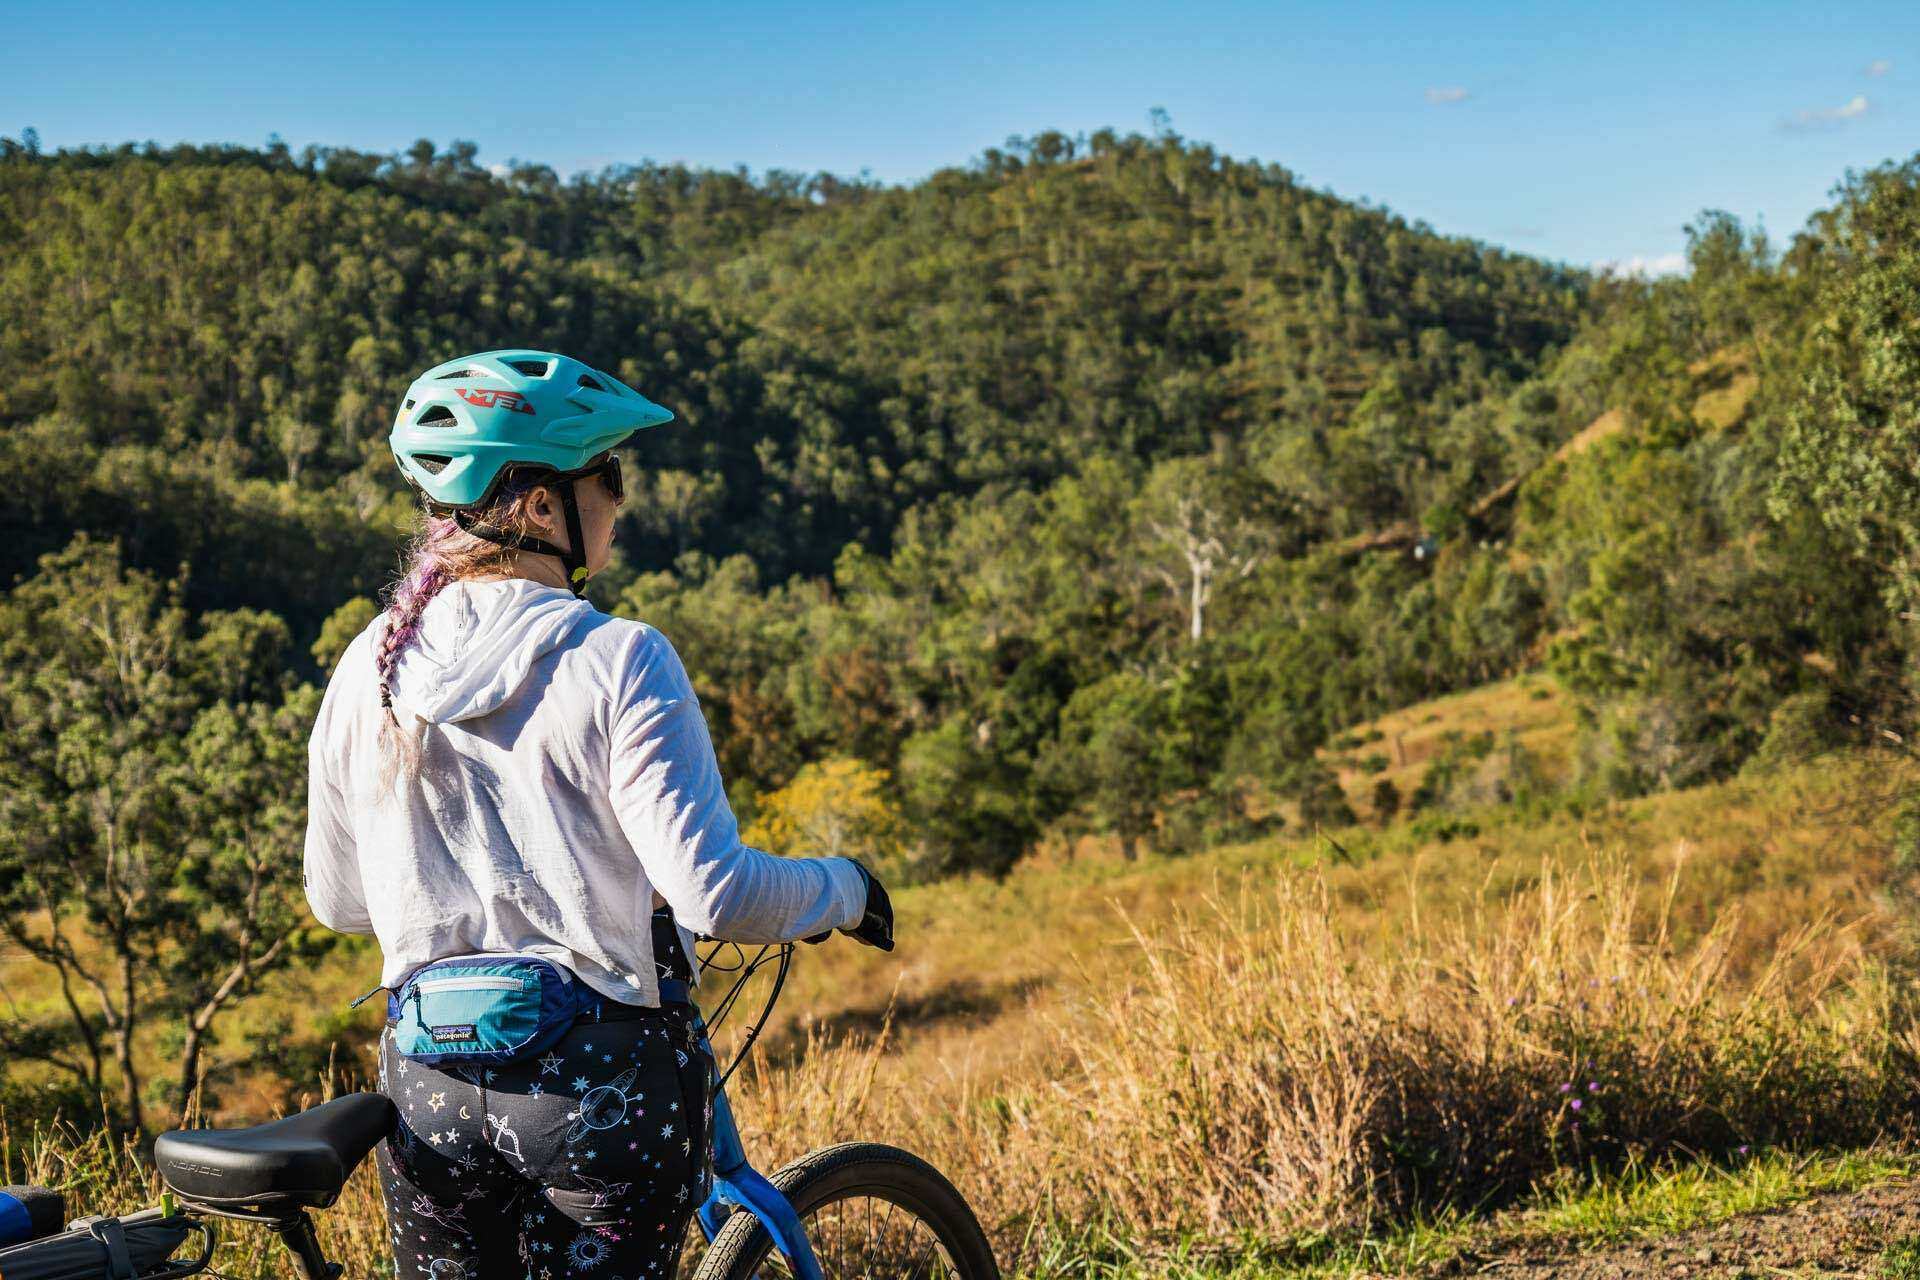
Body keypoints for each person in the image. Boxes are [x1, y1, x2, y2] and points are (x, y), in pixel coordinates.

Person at [303, 349, 893, 1280]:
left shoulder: (367, 666)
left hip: (429, 1090)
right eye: (606, 477)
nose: (619, 501)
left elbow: (340, 902)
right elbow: (715, 894)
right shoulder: (620, 657)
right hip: (599, 1089)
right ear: (542, 506)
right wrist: (845, 890)